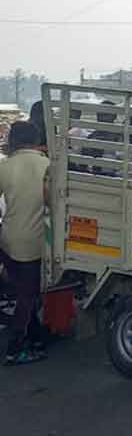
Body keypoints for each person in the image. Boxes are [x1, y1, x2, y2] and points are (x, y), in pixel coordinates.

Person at [0, 121, 50, 365]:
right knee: (28, 297)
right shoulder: (49, 166)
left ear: (14, 141)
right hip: (36, 243)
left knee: (24, 294)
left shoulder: (6, 166)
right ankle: (15, 349)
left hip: (8, 241)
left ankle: (37, 338)